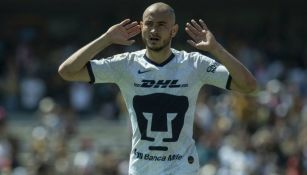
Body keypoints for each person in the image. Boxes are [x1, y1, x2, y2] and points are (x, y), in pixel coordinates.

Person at [58, 2, 257, 175]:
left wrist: (216, 49)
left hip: (182, 168)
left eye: (161, 25)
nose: (154, 31)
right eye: (150, 24)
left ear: (173, 30)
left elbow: (248, 86)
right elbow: (67, 71)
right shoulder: (125, 65)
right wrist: (106, 38)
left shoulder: (194, 64)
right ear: (142, 27)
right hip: (142, 168)